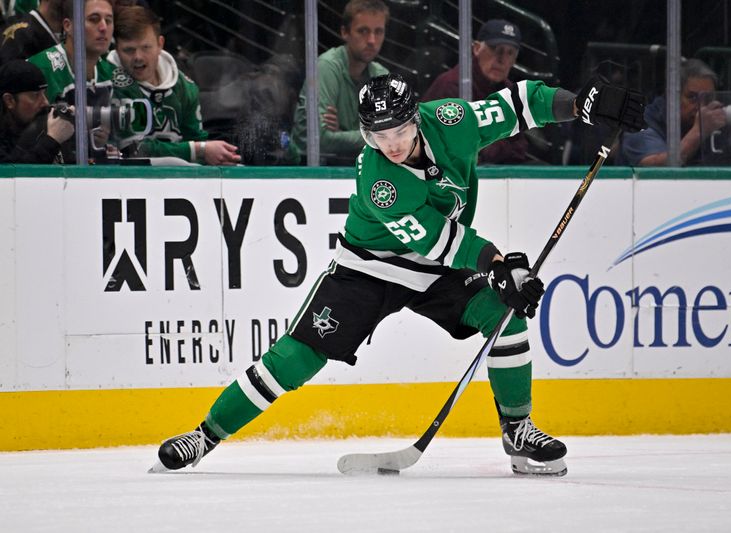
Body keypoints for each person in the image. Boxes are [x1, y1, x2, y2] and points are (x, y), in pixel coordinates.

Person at [150, 72, 644, 476]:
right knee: (297, 358)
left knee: (504, 314)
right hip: (368, 270)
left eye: (399, 132)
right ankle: (205, 434)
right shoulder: (379, 178)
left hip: (435, 271)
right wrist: (498, 264)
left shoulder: (449, 120)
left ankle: (518, 431)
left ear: (417, 120)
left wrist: (579, 103)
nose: (390, 144)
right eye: (377, 135)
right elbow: (437, 239)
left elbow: (518, 104)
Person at [107, 5, 240, 165]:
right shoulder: (110, 82)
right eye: (129, 50)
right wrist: (199, 150)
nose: (138, 57)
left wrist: (216, 157)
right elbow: (136, 149)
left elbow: (197, 141)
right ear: (117, 49)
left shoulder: (184, 88)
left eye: (146, 47)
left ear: (160, 44)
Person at [422, 19, 546, 165]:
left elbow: (519, 148)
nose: (501, 60)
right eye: (495, 49)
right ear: (476, 49)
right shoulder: (451, 85)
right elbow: (456, 147)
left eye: (510, 53)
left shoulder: (511, 92)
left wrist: (489, 147)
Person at [289, 0, 389, 164]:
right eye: (363, 31)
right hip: (315, 172)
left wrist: (341, 133)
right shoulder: (327, 67)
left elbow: (395, 137)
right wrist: (374, 135)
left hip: (362, 169)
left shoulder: (381, 75)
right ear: (345, 32)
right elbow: (317, 140)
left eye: (378, 32)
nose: (372, 40)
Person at [618, 58, 731, 166]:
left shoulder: (714, 122)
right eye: (692, 97)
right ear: (671, 96)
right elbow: (655, 166)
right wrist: (698, 132)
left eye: (708, 98)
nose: (701, 106)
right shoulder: (640, 121)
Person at [26, 0, 116, 162]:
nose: (103, 28)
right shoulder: (42, 68)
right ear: (68, 26)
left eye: (108, 20)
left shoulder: (110, 72)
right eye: (94, 19)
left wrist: (103, 143)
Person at [0, 58, 73, 162]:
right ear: (9, 100)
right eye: (35, 95)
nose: (46, 102)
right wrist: (52, 141)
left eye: (44, 93)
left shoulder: (41, 128)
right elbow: (14, 174)